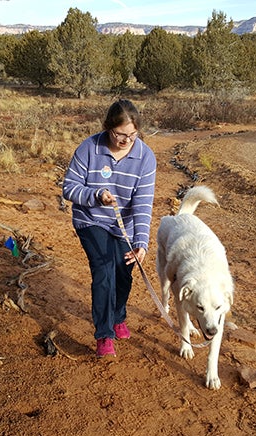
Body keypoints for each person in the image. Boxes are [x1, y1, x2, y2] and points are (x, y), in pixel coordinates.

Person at [62, 99, 157, 357]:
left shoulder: (145, 157)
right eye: (120, 134)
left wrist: (141, 243)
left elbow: (143, 204)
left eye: (133, 135)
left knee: (124, 273)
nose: (126, 140)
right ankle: (104, 334)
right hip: (91, 219)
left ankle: (118, 316)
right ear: (107, 127)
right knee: (104, 270)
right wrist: (96, 195)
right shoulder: (89, 148)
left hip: (123, 226)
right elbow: (69, 188)